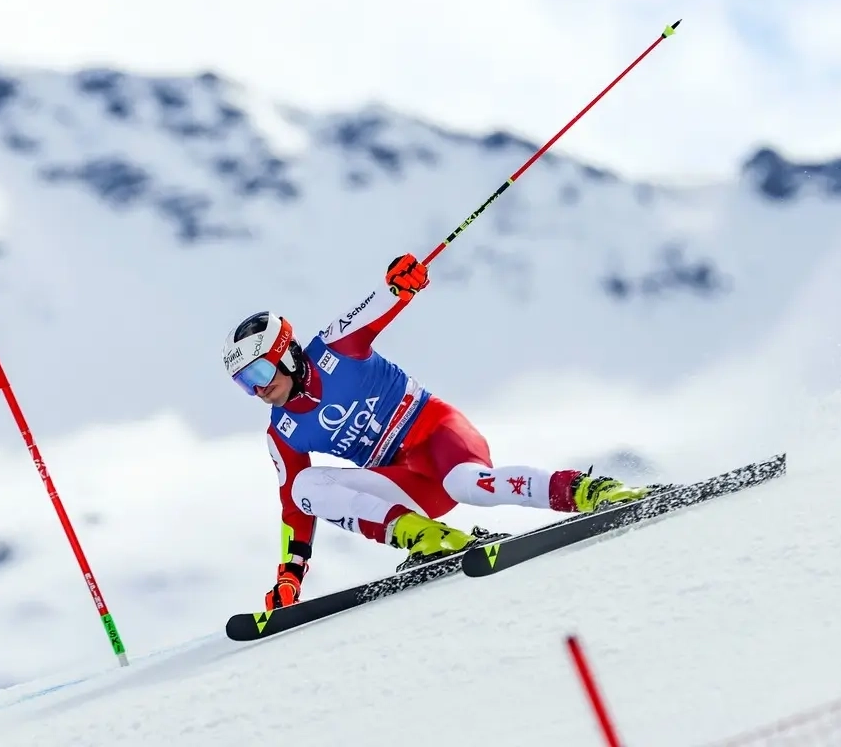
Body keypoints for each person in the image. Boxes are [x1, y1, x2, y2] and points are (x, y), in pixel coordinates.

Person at [222, 253, 657, 611]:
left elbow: (385, 298)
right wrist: (289, 579)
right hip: (408, 482)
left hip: (437, 436)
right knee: (305, 485)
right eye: (245, 382)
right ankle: (428, 538)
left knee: (470, 484)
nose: (259, 388)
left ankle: (589, 491)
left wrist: (404, 279)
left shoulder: (334, 346)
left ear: (286, 354)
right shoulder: (282, 433)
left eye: (259, 370)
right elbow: (295, 510)